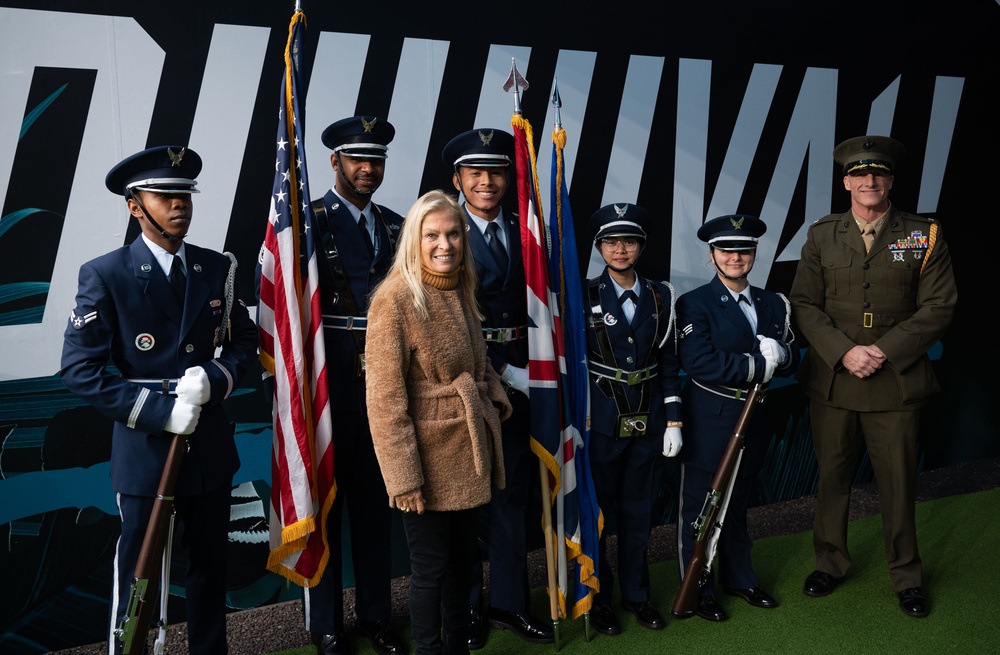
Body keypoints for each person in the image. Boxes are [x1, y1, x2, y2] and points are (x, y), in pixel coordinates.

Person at [60, 145, 258, 654]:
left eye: (184, 195)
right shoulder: (106, 274)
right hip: (147, 447)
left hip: (208, 442)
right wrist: (159, 411)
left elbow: (243, 343)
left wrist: (215, 379)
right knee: (139, 571)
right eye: (165, 196)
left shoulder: (217, 268)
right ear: (134, 206)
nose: (179, 206)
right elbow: (78, 369)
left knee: (209, 568)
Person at [789, 135, 957, 618]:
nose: (870, 181)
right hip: (835, 380)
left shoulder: (922, 234)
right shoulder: (822, 234)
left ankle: (906, 576)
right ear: (846, 183)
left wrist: (881, 350)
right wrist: (844, 353)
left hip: (895, 381)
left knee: (898, 482)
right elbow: (804, 303)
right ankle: (830, 562)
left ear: (890, 181)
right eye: (860, 174)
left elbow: (939, 306)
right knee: (832, 476)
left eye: (878, 174)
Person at [364, 189, 513, 655]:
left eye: (452, 233)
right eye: (432, 235)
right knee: (430, 568)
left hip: (467, 451)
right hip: (426, 459)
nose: (444, 244)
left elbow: (478, 358)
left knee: (464, 562)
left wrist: (493, 396)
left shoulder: (461, 288)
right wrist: (404, 478)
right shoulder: (394, 299)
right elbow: (384, 400)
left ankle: (457, 650)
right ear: (414, 239)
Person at [440, 128, 553, 647]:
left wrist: (530, 369)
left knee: (512, 496)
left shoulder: (526, 226)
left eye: (497, 171)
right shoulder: (441, 230)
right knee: (465, 502)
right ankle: (465, 611)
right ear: (458, 178)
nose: (487, 181)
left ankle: (509, 603)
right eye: (475, 172)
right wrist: (495, 370)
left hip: (523, 378)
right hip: (463, 381)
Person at [300, 115, 407, 655]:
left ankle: (375, 615)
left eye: (377, 160)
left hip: (388, 378)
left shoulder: (397, 224)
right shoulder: (306, 221)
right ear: (334, 161)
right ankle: (325, 625)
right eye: (357, 159)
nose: (368, 169)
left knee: (374, 502)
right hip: (329, 381)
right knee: (326, 504)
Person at [673, 214, 800, 622]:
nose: (735, 257)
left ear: (755, 254)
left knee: (739, 501)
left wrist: (784, 357)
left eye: (743, 250)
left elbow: (793, 356)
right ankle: (699, 587)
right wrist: (755, 366)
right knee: (702, 501)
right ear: (712, 256)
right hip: (711, 413)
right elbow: (699, 361)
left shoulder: (773, 301)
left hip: (756, 415)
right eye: (726, 250)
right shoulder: (694, 302)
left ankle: (740, 577)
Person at [582, 203, 683, 635]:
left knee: (638, 513)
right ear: (599, 247)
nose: (619, 249)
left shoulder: (661, 295)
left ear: (641, 246)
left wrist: (674, 421)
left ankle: (638, 595)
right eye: (610, 241)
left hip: (648, 418)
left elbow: (668, 362)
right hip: (600, 422)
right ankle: (599, 599)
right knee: (600, 515)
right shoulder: (583, 294)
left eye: (628, 241)